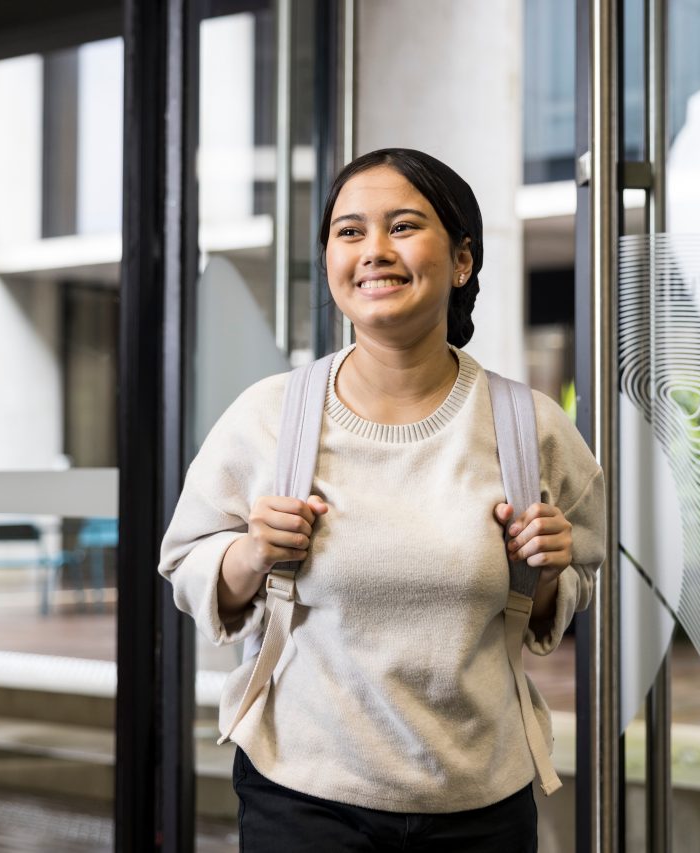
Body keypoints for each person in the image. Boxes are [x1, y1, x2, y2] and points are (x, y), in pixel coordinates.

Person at [158, 148, 604, 851]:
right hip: (303, 792)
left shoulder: (531, 427)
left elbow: (575, 578)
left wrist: (548, 572)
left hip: (480, 797)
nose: (374, 251)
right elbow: (185, 563)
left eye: (402, 227)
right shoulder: (270, 415)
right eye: (349, 231)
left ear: (462, 261)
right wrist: (248, 552)